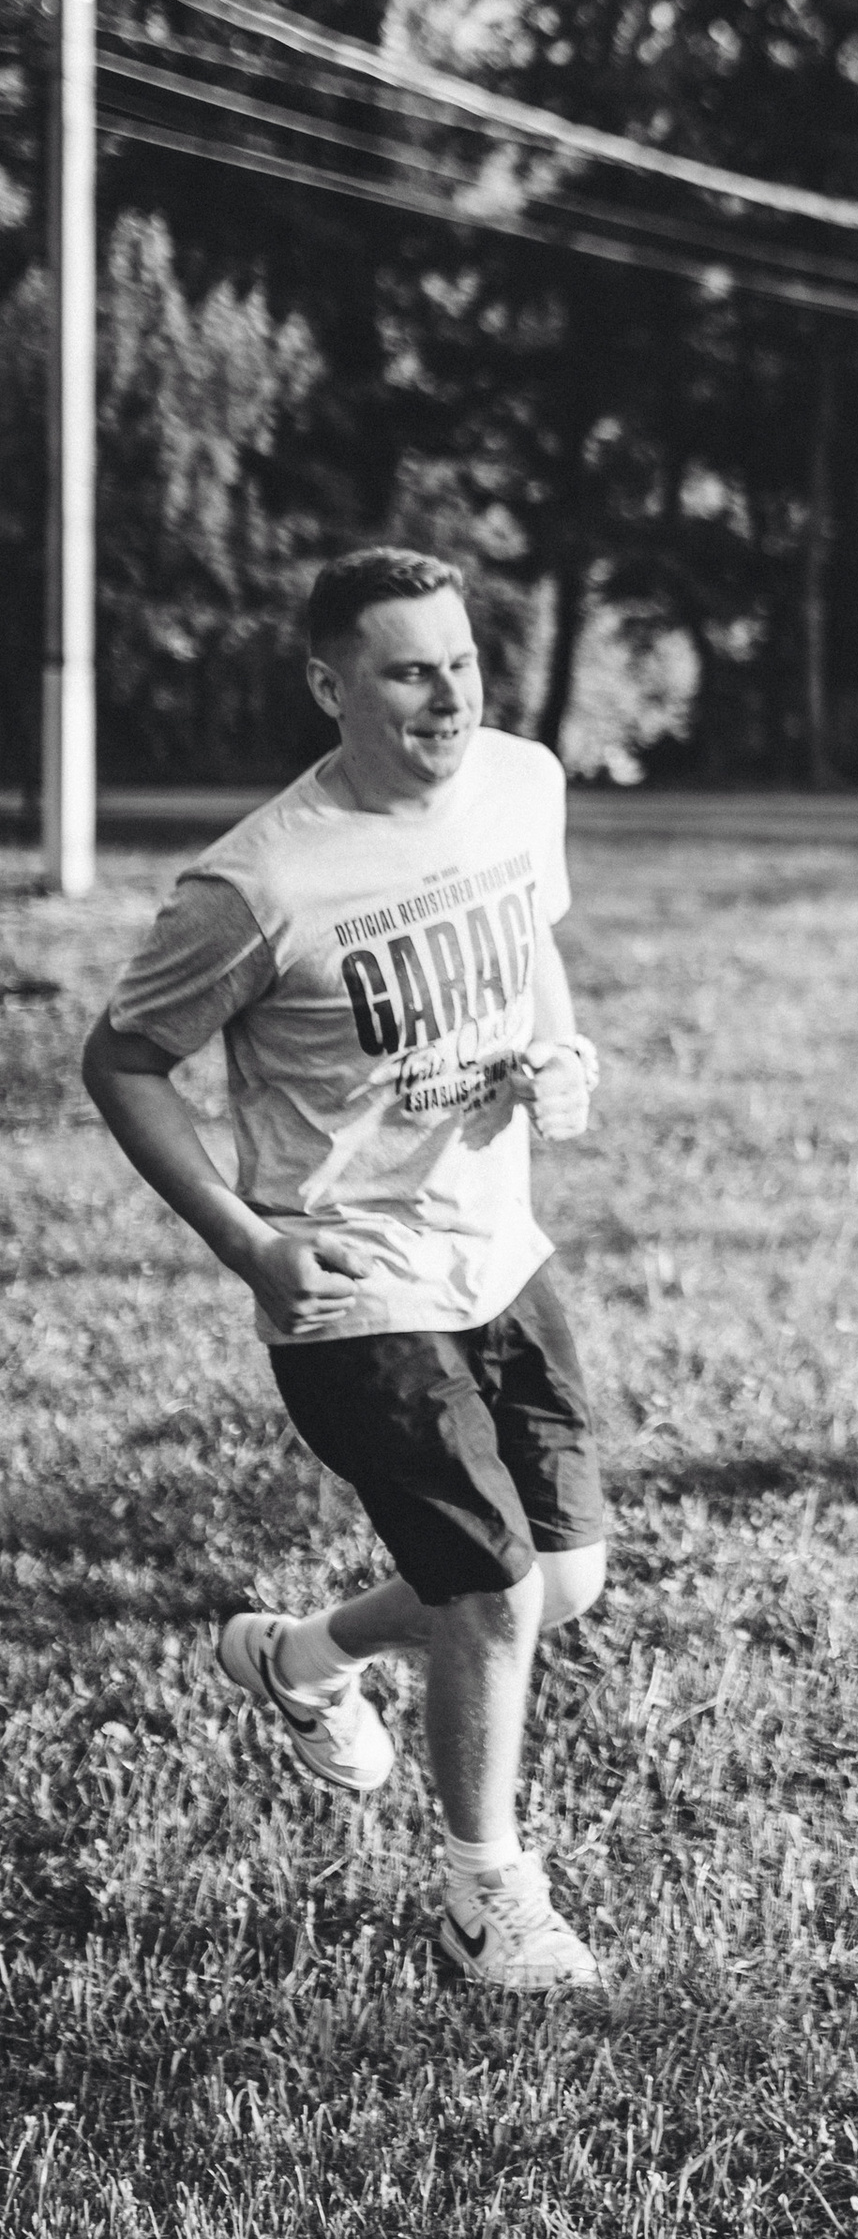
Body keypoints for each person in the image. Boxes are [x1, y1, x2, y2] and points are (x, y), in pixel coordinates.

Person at [81, 546, 610, 1994]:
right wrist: (247, 1244)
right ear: (332, 687)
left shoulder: (523, 781)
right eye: (406, 669)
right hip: (350, 1281)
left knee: (565, 1579)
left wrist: (558, 1052)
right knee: (494, 1591)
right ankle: (480, 1900)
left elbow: (535, 945)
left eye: (460, 661)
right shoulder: (258, 881)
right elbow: (121, 1059)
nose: (448, 694)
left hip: (497, 1248)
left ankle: (303, 1656)